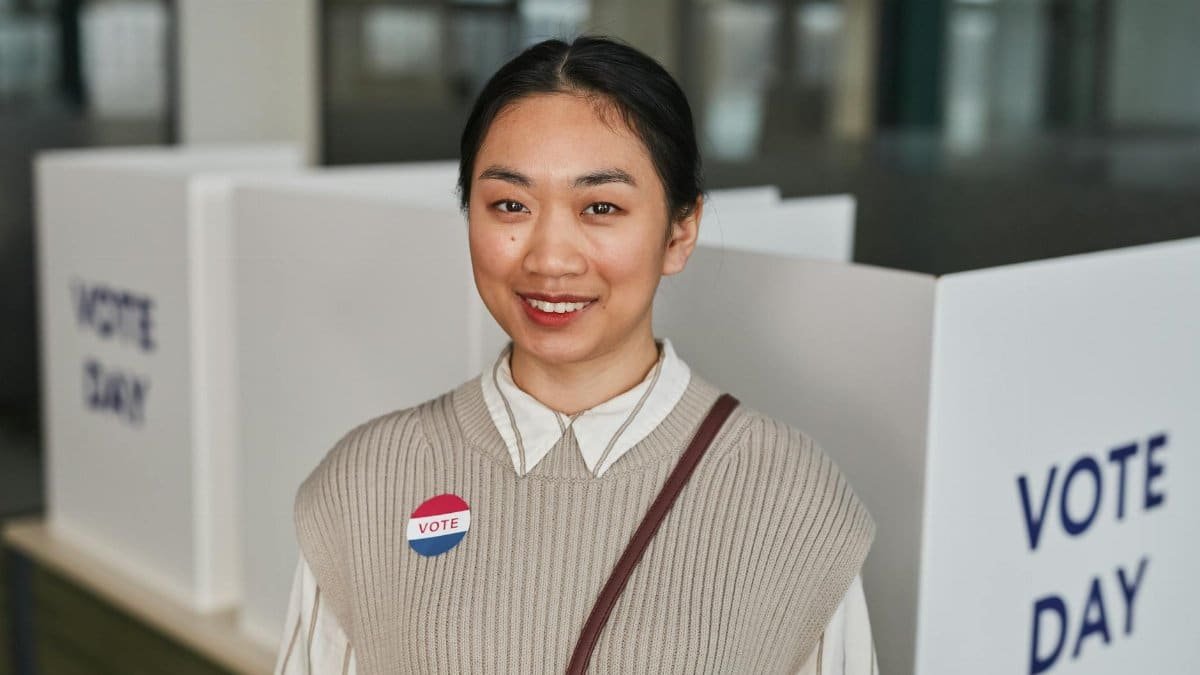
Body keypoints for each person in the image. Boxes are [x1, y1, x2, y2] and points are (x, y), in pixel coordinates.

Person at [274, 35, 877, 674]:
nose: (550, 258)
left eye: (600, 207)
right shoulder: (364, 484)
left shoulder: (793, 499)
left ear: (679, 232)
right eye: (510, 204)